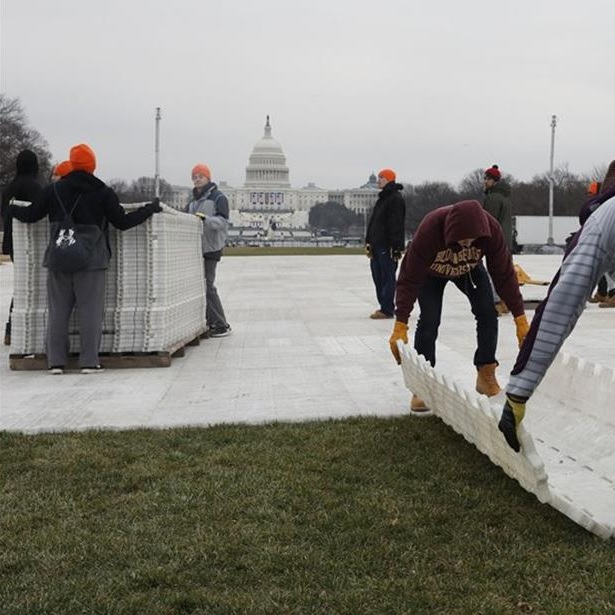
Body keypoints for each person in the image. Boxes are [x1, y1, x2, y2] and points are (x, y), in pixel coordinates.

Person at [7, 143, 162, 374]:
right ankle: (89, 362)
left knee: (58, 312)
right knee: (90, 313)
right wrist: (148, 210)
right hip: (92, 262)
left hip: (59, 258)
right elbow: (122, 222)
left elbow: (30, 215)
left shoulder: (54, 190)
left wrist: (11, 208)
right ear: (92, 165)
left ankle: (56, 362)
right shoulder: (103, 191)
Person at [499, 185, 615, 452]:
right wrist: (518, 393)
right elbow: (558, 312)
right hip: (602, 234)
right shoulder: (601, 225)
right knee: (561, 308)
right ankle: (516, 396)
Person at [388, 199, 530, 413]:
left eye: (473, 241)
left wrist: (520, 318)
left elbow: (504, 275)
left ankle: (485, 372)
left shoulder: (492, 231)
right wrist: (400, 323)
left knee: (488, 313)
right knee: (429, 320)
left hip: (469, 270)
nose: (468, 245)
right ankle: (422, 385)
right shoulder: (430, 228)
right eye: (463, 241)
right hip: (431, 274)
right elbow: (409, 278)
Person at [1, 149, 44, 345]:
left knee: (20, 286)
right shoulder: (35, 187)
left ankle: (11, 330)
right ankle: (21, 329)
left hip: (12, 243)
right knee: (30, 287)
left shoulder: (9, 187)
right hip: (31, 244)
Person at [186, 163, 231, 337]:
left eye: (200, 176)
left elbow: (223, 222)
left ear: (208, 178)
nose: (197, 180)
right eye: (194, 177)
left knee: (208, 286)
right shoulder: (193, 201)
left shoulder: (219, 197)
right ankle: (208, 322)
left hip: (211, 248)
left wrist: (206, 220)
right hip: (196, 248)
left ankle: (221, 324)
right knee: (201, 287)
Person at [365, 168, 406, 319]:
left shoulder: (395, 199)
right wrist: (368, 241)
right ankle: (384, 306)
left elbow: (396, 225)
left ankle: (387, 308)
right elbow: (374, 223)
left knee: (387, 277)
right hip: (377, 245)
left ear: (389, 179)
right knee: (378, 277)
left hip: (386, 245)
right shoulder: (383, 198)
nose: (378, 180)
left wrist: (396, 247)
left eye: (381, 177)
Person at [482, 164, 513, 315]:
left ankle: (496, 302)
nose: (484, 181)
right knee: (503, 273)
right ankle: (505, 301)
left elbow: (488, 222)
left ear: (493, 181)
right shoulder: (505, 197)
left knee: (492, 272)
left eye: (486, 179)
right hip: (506, 241)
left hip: (495, 241)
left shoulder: (493, 198)